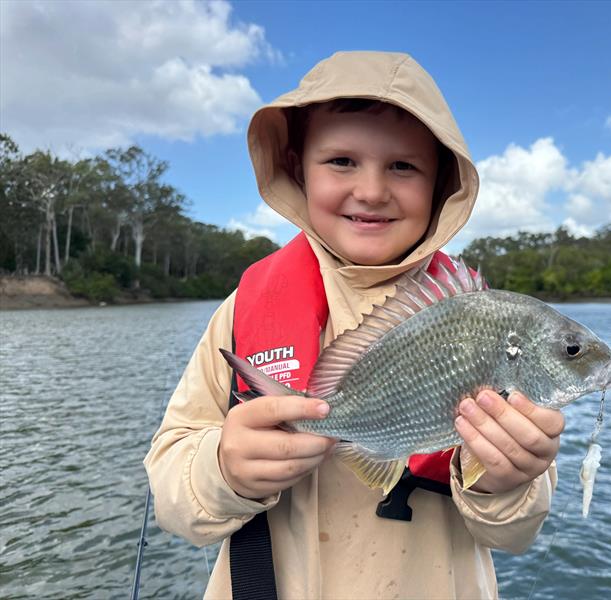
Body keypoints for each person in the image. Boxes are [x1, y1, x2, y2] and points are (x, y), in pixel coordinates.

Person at [144, 51, 562, 599]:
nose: (370, 191)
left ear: (440, 184)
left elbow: (514, 533)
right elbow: (174, 493)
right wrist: (222, 468)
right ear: (297, 167)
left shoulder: (487, 324)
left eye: (403, 166)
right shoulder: (242, 309)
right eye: (341, 161)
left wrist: (509, 480)